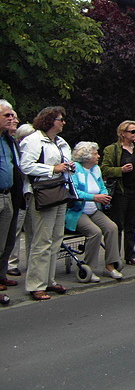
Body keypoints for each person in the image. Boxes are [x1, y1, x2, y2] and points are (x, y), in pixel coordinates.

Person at [18, 106, 73, 301]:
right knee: (42, 240)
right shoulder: (33, 140)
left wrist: (68, 166)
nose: (63, 123)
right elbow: (25, 166)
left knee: (56, 237)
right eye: (60, 119)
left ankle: (49, 279)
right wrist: (52, 169)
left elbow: (64, 162)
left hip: (58, 190)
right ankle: (35, 284)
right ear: (49, 121)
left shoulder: (60, 142)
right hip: (41, 192)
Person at [68, 142, 122, 281]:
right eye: (95, 153)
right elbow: (75, 192)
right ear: (86, 156)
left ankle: (110, 265)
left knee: (112, 228)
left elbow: (102, 186)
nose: (98, 156)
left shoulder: (96, 169)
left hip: (93, 210)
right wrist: (94, 197)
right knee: (95, 232)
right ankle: (90, 267)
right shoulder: (75, 170)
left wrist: (105, 195)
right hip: (78, 211)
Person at [102, 120, 135, 266]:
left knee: (131, 224)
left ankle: (130, 255)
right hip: (121, 191)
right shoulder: (112, 150)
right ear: (122, 134)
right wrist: (120, 170)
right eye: (132, 132)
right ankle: (114, 257)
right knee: (118, 224)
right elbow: (104, 169)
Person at [0, 101, 24, 305]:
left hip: (9, 195)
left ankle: (1, 275)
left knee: (7, 241)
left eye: (12, 115)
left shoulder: (9, 140)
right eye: (7, 115)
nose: (11, 118)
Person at [7, 123, 36, 277]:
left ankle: (33, 261)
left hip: (31, 193)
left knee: (32, 229)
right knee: (16, 229)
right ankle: (11, 263)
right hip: (18, 195)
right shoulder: (15, 150)